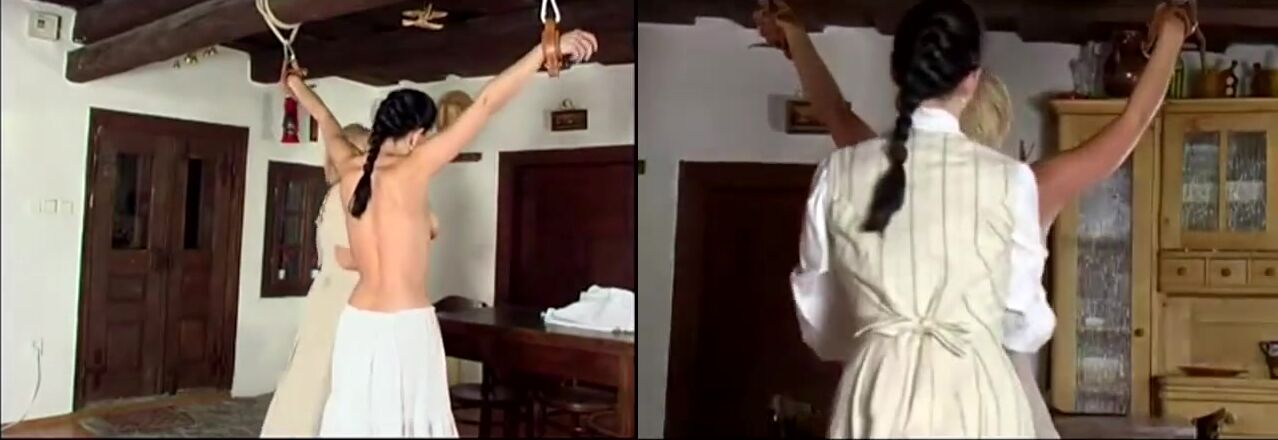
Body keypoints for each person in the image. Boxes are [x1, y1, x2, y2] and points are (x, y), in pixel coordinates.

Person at [763, 0, 1191, 437]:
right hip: (985, 390)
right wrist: (1173, 35)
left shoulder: (860, 170)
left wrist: (796, 37)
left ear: (900, 75)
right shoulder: (1019, 184)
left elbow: (835, 112)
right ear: (975, 84)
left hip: (882, 391)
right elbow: (1131, 123)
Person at [282, 29, 599, 437]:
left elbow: (326, 120)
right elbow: (485, 103)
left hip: (357, 322)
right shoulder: (414, 167)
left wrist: (294, 83)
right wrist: (543, 50)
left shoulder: (347, 166)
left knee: (357, 425)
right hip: (405, 325)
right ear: (417, 135)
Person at [260, 124, 369, 437]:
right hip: (340, 298)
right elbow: (346, 255)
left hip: (335, 294)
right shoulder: (345, 195)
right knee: (321, 375)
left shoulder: (342, 193)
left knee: (325, 373)